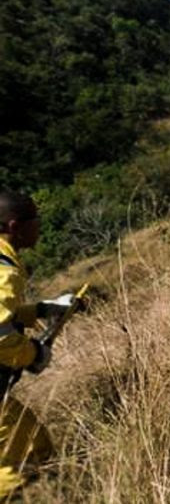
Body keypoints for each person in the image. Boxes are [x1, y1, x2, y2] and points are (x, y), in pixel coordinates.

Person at [0, 191, 75, 495]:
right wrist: (33, 354)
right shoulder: (6, 272)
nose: (40, 226)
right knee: (14, 470)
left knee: (36, 445)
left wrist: (41, 310)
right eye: (36, 219)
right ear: (15, 226)